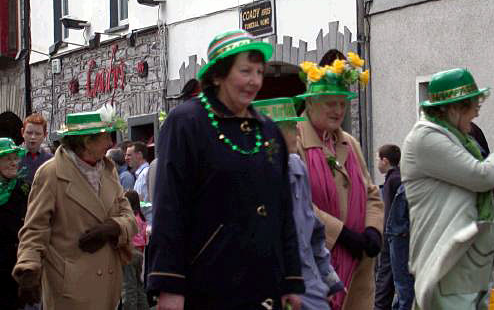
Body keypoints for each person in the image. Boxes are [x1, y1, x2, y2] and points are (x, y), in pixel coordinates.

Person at [147, 30, 305, 310]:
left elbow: (283, 210)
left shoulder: (268, 130)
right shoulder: (186, 123)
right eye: (245, 71)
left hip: (265, 283)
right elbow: (170, 206)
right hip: (209, 281)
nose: (255, 81)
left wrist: (291, 279)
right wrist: (169, 284)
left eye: (259, 71)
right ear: (218, 75)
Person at [401, 68, 494, 309]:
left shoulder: (456, 138)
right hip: (447, 269)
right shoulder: (426, 138)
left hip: (467, 272)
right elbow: (482, 177)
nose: (476, 113)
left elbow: (463, 201)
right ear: (454, 108)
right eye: (473, 107)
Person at [13, 105, 138, 310]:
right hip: (70, 290)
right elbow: (35, 229)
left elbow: (128, 216)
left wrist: (113, 227)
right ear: (87, 142)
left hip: (109, 288)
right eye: (105, 136)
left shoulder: (108, 170)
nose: (110, 142)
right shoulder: (51, 173)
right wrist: (29, 270)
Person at [296, 55, 384, 310]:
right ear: (311, 104)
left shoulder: (349, 142)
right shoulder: (296, 142)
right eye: (331, 104)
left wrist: (372, 231)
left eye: (343, 104)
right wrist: (340, 234)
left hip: (358, 266)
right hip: (317, 264)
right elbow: (298, 203)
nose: (338, 111)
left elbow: (371, 194)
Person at [253, 97, 345, 309]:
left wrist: (328, 280)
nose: (296, 130)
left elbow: (313, 231)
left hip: (309, 285)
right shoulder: (253, 178)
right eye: (288, 125)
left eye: (294, 124)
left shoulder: (296, 167)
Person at [0, 138, 28, 310]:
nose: (14, 163)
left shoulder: (24, 188)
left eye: (15, 158)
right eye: (7, 158)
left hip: (16, 263)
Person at [374, 144, 402, 310]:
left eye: (378, 159)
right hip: (394, 236)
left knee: (385, 277)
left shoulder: (393, 180)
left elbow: (391, 212)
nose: (377, 163)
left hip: (391, 237)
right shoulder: (396, 178)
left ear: (385, 161)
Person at [386, 183, 414, 310]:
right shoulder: (407, 188)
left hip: (399, 235)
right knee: (406, 292)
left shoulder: (406, 187)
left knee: (404, 292)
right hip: (401, 236)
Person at [122, 190, 149, 310]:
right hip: (140, 254)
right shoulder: (141, 218)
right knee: (139, 286)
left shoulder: (130, 218)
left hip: (130, 253)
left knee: (129, 287)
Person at [18, 113, 52, 185]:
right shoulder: (14, 159)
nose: (33, 137)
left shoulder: (51, 160)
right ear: (22, 132)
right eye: (29, 133)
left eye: (38, 134)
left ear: (45, 135)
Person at [128, 142, 151, 222]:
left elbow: (148, 203)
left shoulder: (145, 174)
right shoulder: (141, 174)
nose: (126, 158)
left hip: (148, 223)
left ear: (139, 155)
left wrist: (135, 203)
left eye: (129, 155)